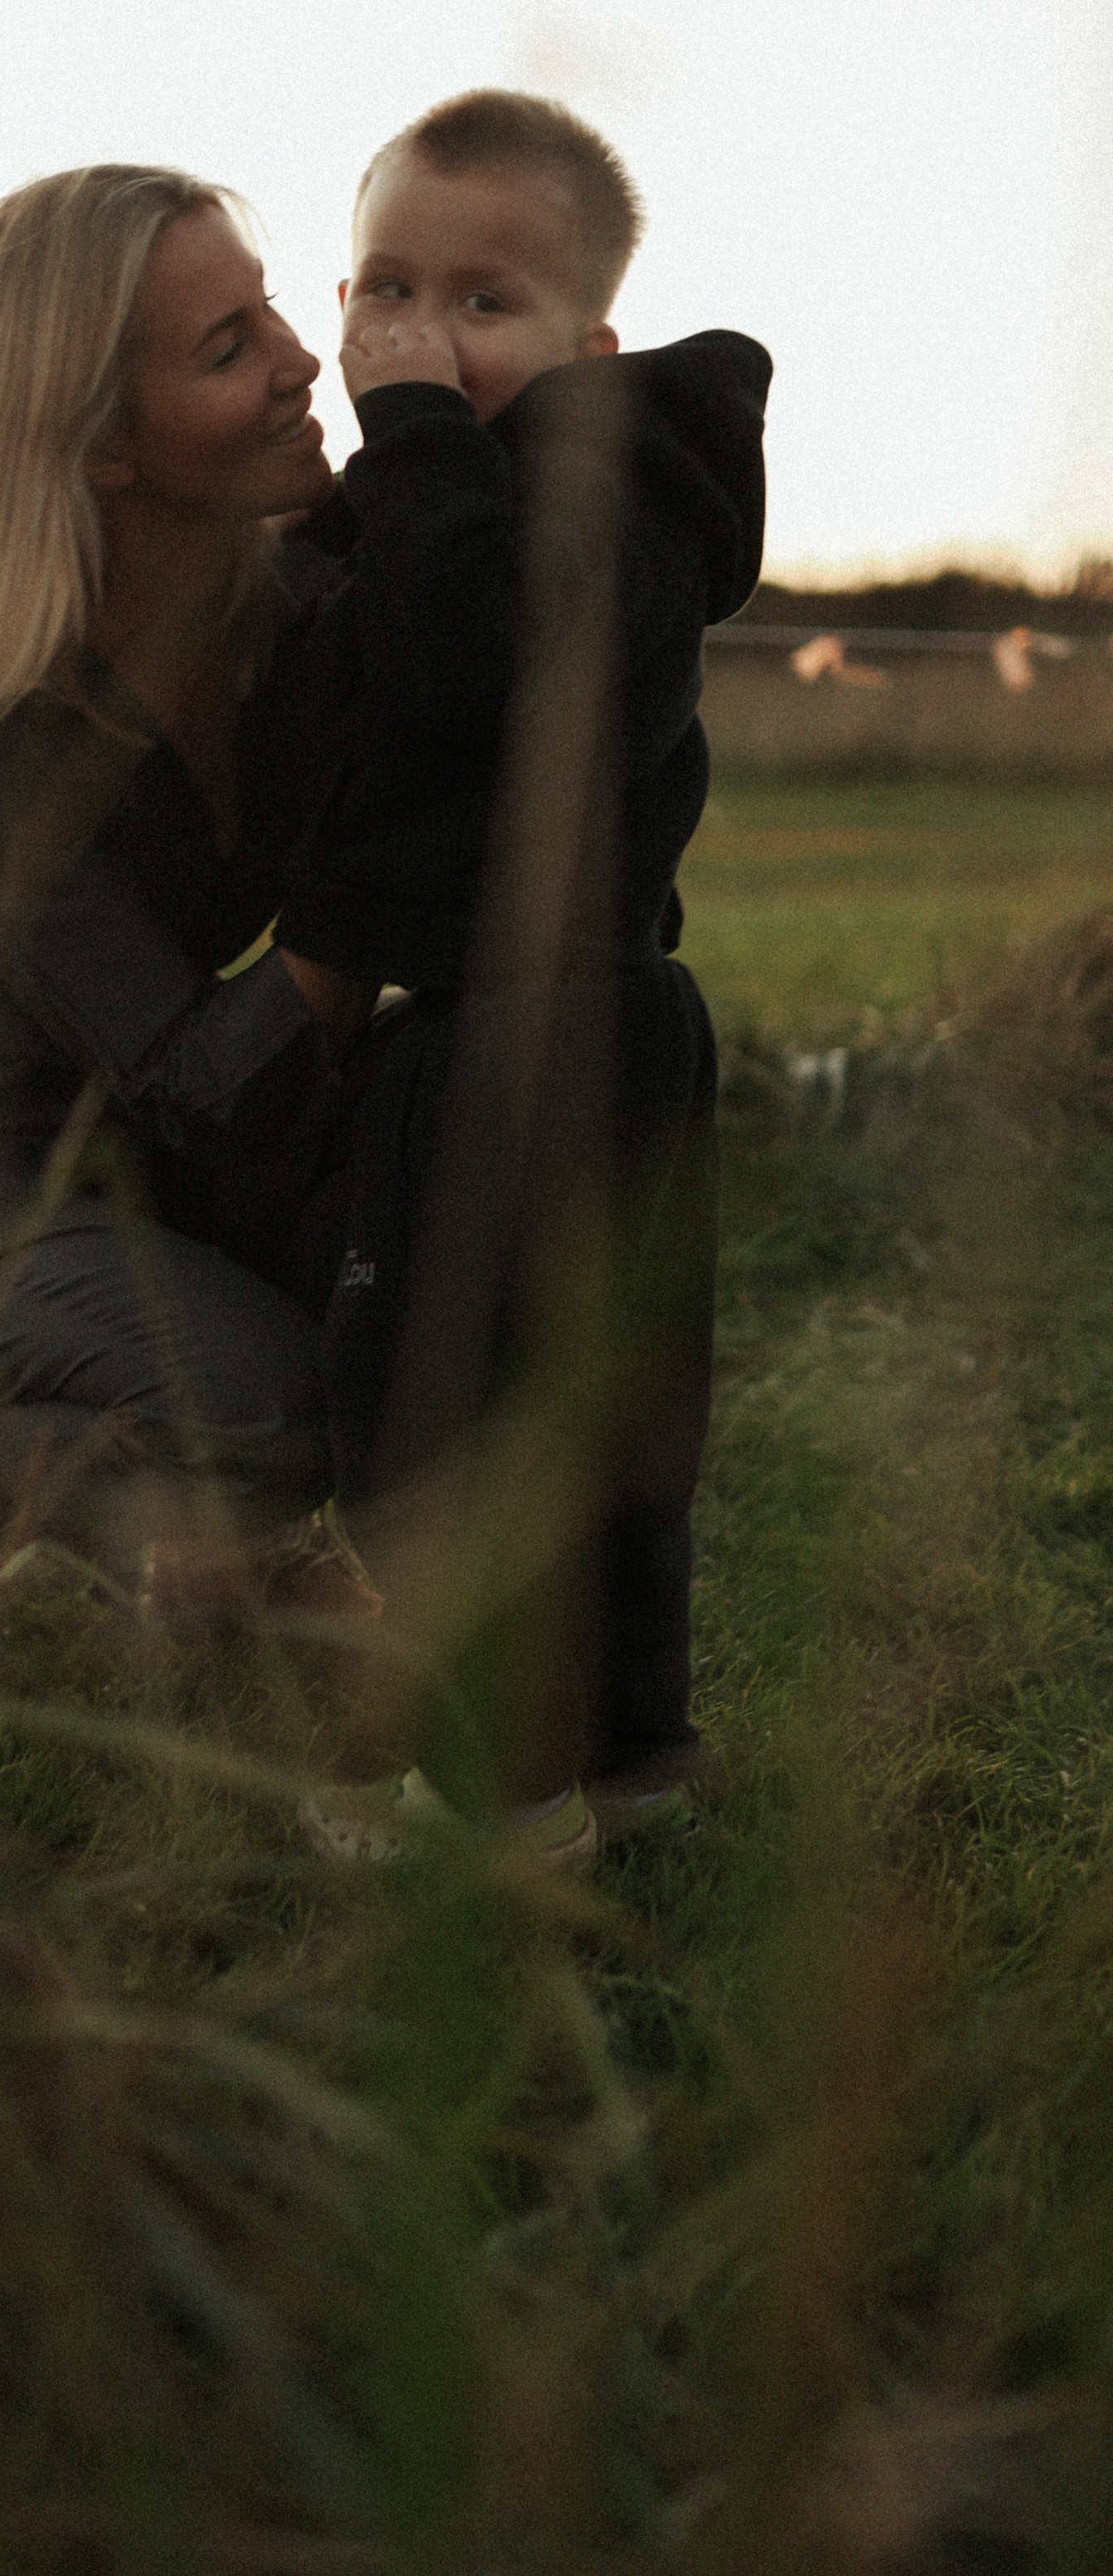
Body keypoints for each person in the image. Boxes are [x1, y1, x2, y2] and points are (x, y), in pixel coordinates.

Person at [0, 163, 382, 1621]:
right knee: (288, 1411)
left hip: (132, 1147)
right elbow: (212, 1087)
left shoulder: (296, 606)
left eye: (272, 308)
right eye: (228, 347)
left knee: (403, 1318)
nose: (306, 360)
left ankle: (184, 1519)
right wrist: (376, 908)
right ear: (105, 445)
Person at [274, 90, 770, 1830]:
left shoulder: (619, 485)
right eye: (381, 290)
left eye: (483, 304)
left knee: (467, 1417)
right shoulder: (422, 506)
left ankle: (504, 1794)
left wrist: (404, 433)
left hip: (562, 1018)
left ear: (590, 342)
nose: (418, 339)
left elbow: (483, 655)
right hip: (485, 1019)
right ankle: (625, 1759)